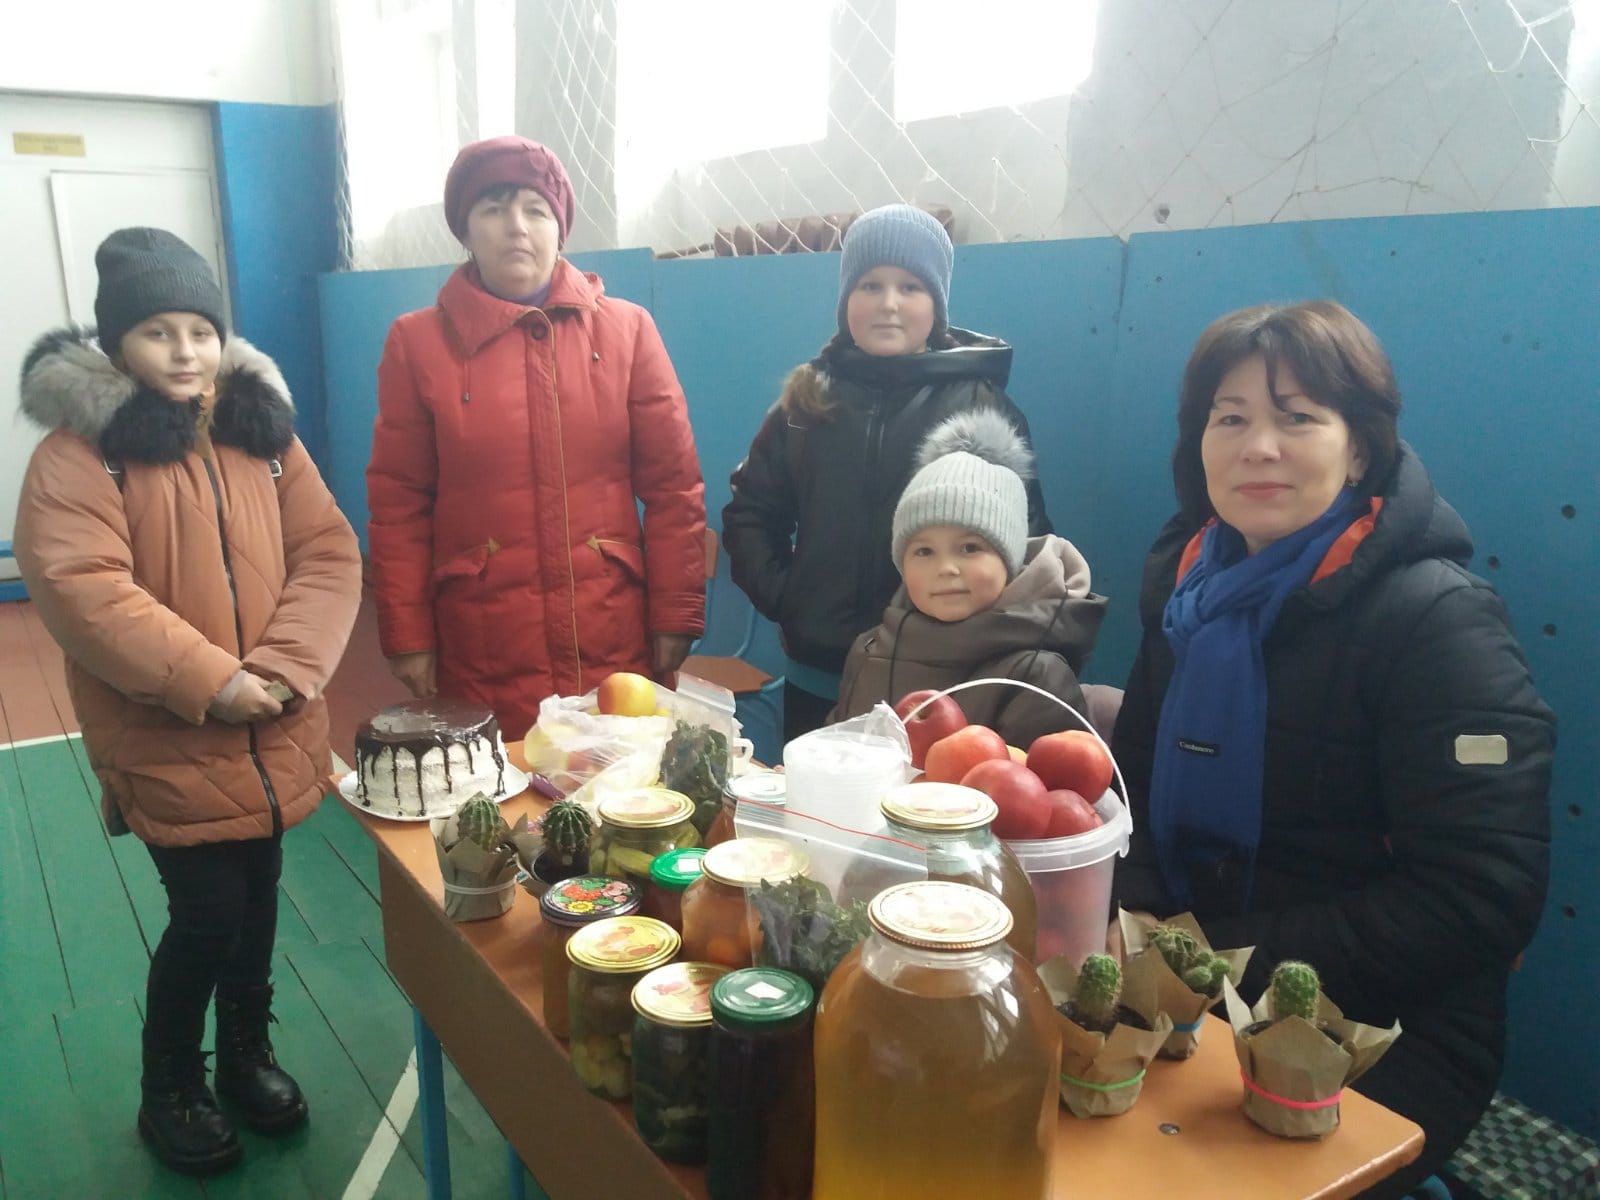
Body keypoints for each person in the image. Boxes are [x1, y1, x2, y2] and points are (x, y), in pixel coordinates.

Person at [1111, 300, 1553, 1196]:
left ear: (1359, 450)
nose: (1258, 447)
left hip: (1377, 1028)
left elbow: (1479, 896)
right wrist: (1152, 943)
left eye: (1298, 417)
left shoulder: (1438, 622)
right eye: (1229, 418)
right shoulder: (1184, 593)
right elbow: (1133, 793)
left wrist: (1215, 958)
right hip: (1194, 983)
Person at [14, 228, 362, 1175]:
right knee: (206, 914)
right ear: (116, 342)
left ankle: (245, 1056)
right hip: (165, 731)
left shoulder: (263, 438)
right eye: (157, 332)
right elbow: (85, 590)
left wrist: (285, 667)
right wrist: (214, 682)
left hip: (276, 722)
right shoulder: (82, 457)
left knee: (257, 902)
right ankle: (167, 1085)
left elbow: (327, 550)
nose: (183, 351)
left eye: (200, 330)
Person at [368, 136, 706, 739]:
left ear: (560, 228)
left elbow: (673, 487)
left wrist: (675, 613)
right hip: (482, 643)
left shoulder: (629, 331)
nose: (516, 227)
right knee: (499, 793)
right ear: (466, 229)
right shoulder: (416, 344)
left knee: (615, 783)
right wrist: (408, 634)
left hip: (612, 632)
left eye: (536, 209)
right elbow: (399, 504)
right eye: (494, 209)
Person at [722, 203, 1053, 744]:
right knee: (814, 797)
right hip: (817, 678)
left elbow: (1025, 542)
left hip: (935, 689)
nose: (889, 303)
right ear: (845, 299)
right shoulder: (806, 402)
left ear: (936, 304)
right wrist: (790, 598)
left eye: (911, 287)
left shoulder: (980, 405)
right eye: (870, 285)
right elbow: (750, 513)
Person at [831, 409, 1105, 746]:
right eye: (924, 551)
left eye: (970, 548)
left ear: (1010, 559)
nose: (946, 567)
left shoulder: (1036, 674)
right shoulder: (868, 650)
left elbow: (1042, 778)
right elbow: (835, 751)